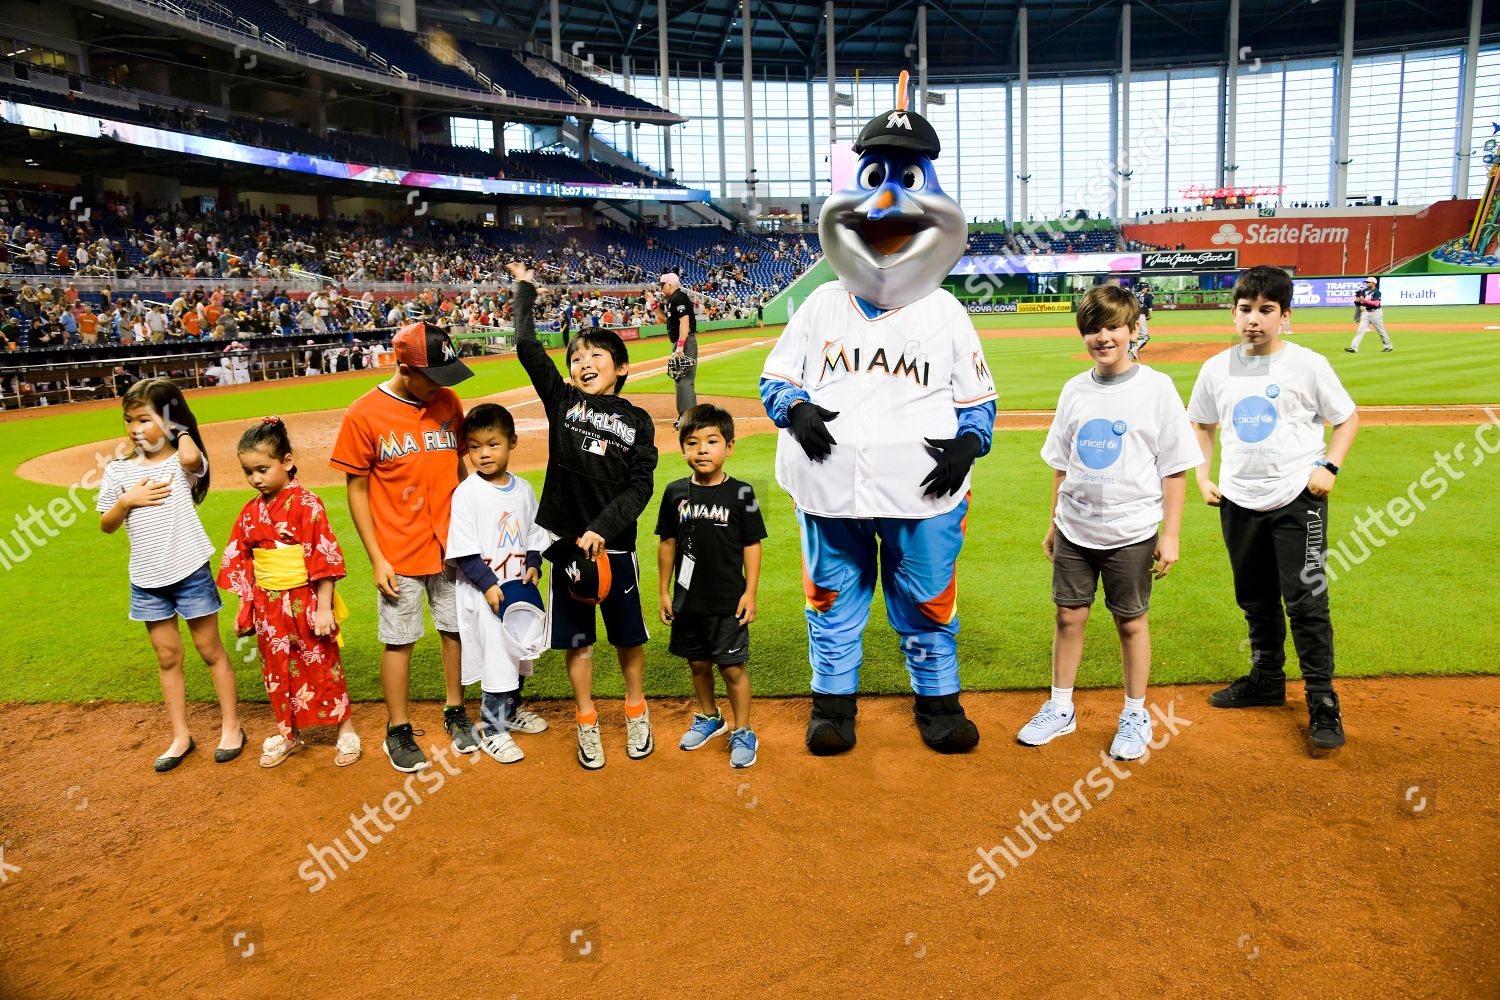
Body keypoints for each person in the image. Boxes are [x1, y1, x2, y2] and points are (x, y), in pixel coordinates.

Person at [1017, 287, 1201, 759]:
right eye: (1092, 329)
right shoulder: (1074, 389)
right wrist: (1054, 523)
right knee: (1067, 616)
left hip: (1133, 530)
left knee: (1131, 622)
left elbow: (1175, 468)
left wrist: (1172, 534)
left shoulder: (1156, 388)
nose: (1102, 337)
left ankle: (1135, 713)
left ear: (1134, 330)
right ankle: (1061, 708)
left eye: (1112, 327)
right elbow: (1062, 465)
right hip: (1076, 526)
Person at [1189, 265, 1360, 752]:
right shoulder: (1216, 368)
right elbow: (1201, 425)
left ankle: (1323, 702)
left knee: (1306, 603)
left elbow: (1346, 419)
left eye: (1266, 310)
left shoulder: (1307, 365)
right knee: (1255, 598)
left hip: (1296, 499)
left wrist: (1329, 466)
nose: (1254, 320)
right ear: (1233, 312)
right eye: (1245, 309)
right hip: (1238, 500)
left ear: (1286, 316)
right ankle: (1266, 680)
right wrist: (1205, 475)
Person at [508, 261, 658, 771]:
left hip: (614, 550)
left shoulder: (637, 420)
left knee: (628, 637)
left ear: (620, 368)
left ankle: (636, 709)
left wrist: (602, 528)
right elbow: (528, 347)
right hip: (568, 550)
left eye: (597, 355)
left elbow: (642, 486)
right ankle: (587, 719)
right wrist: (525, 287)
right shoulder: (563, 402)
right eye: (577, 357)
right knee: (579, 642)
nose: (584, 362)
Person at [330, 320, 475, 773]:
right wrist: (377, 558)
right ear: (404, 368)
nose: (441, 388)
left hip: (452, 546)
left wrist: (472, 532)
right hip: (399, 551)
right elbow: (356, 490)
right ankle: (398, 727)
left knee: (455, 630)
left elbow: (461, 470)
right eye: (433, 378)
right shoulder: (364, 414)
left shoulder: (448, 401)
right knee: (400, 640)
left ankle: (456, 710)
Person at [96, 378, 244, 771]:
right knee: (167, 657)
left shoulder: (180, 463)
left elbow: (194, 460)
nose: (134, 429)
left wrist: (178, 428)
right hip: (146, 577)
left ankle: (232, 726)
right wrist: (127, 500)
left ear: (167, 420)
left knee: (210, 650)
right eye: (129, 421)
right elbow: (106, 525)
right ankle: (181, 735)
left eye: (144, 420)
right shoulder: (118, 472)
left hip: (189, 569)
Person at [218, 417, 360, 769]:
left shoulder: (307, 504)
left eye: (263, 469)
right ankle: (289, 733)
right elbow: (243, 562)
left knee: (323, 664)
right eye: (248, 471)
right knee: (276, 669)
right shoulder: (250, 513)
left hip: (306, 600)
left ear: (287, 461)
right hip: (268, 605)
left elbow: (322, 556)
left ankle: (345, 730)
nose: (255, 478)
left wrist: (324, 608)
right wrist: (245, 608)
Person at [655, 403, 766, 768]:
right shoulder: (674, 493)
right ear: (682, 448)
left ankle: (743, 729)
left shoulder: (744, 493)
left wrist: (750, 593)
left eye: (712, 441)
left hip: (727, 602)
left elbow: (752, 544)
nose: (702, 449)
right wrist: (663, 591)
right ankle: (709, 717)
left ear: (729, 447)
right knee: (698, 665)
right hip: (689, 602)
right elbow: (667, 543)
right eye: (692, 442)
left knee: (733, 669)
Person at [446, 403, 549, 764]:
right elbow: (463, 551)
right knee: (496, 661)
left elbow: (534, 531)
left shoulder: (523, 490)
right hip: (485, 591)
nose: (483, 454)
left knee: (517, 655)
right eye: (474, 446)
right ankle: (492, 729)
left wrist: (534, 563)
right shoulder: (467, 494)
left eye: (492, 444)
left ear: (512, 443)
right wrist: (489, 585)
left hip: (517, 590)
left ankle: (510, 712)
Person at [661, 272, 697, 427]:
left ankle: (688, 418)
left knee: (684, 379)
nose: (661, 288)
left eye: (662, 285)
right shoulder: (673, 300)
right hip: (681, 341)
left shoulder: (679, 298)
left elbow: (685, 321)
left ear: (670, 284)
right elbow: (667, 321)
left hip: (684, 342)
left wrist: (681, 345)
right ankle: (686, 416)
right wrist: (654, 307)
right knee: (680, 379)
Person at [1346, 277, 1393, 353]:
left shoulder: (1377, 292)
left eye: (1368, 282)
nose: (1367, 283)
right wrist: (1357, 299)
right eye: (1366, 282)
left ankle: (1388, 346)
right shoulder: (1365, 291)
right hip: (1366, 313)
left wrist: (1364, 300)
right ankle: (1353, 348)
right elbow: (1359, 301)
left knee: (1380, 331)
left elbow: (1376, 303)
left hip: (1375, 312)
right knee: (1360, 330)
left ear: (1373, 283)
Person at [1130, 283, 1153, 359]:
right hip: (1140, 314)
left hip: (1130, 315)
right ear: (1144, 288)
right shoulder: (1148, 296)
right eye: (1147, 287)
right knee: (1145, 337)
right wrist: (1149, 315)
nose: (1147, 289)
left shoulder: (1133, 295)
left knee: (1131, 333)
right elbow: (1149, 309)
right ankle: (1134, 349)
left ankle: (1128, 348)